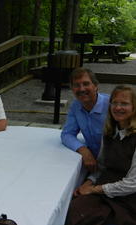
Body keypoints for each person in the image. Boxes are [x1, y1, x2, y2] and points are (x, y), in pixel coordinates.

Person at [66, 85, 136, 225]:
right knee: (74, 209)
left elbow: (133, 183)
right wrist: (88, 182)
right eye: (114, 103)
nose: (118, 107)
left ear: (134, 107)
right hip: (105, 187)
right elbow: (102, 165)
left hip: (129, 197)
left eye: (124, 103)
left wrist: (94, 189)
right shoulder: (110, 132)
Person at [61, 68, 109, 172]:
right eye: (76, 85)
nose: (81, 89)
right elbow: (67, 134)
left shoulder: (111, 105)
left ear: (95, 86)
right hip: (94, 163)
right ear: (72, 89)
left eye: (86, 84)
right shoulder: (76, 106)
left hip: (115, 165)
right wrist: (83, 150)